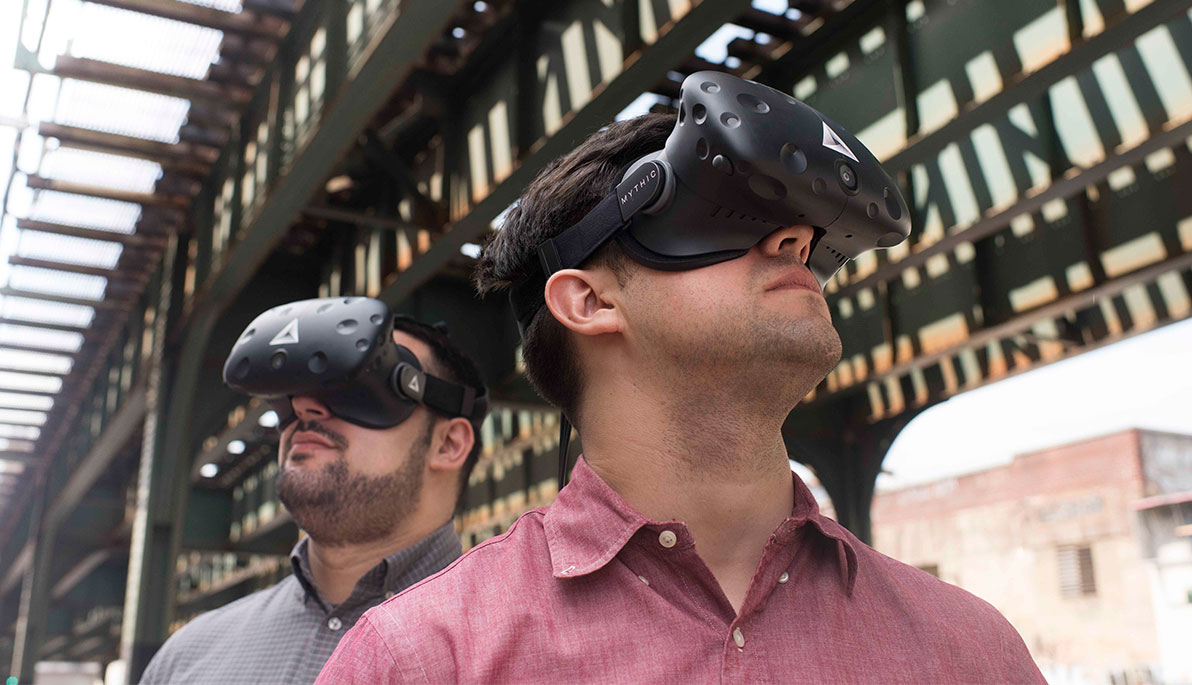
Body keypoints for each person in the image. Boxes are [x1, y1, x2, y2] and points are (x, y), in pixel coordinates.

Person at [317, 111, 1044, 683]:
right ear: (589, 300)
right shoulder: (416, 662)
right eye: (723, 211)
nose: (796, 239)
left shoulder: (976, 651)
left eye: (801, 227)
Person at [140, 315, 487, 684]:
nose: (305, 406)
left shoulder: (529, 650)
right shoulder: (186, 657)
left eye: (360, 386)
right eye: (292, 392)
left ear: (448, 444)